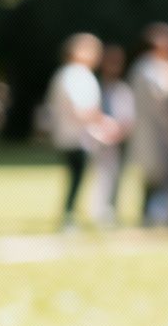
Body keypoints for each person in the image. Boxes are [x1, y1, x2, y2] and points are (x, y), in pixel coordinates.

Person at [44, 33, 116, 232]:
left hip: (77, 135)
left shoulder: (71, 74)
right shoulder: (75, 74)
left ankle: (72, 214)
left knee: (79, 177)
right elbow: (81, 109)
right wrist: (104, 123)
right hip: (77, 136)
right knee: (78, 176)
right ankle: (70, 215)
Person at [126, 23, 168, 228]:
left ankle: (151, 214)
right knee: (158, 175)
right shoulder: (151, 68)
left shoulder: (149, 67)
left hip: (153, 130)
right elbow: (165, 101)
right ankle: (154, 215)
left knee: (155, 175)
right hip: (158, 131)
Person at [89, 43, 135, 228]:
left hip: (116, 143)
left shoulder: (123, 90)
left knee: (115, 177)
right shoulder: (95, 86)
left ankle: (110, 210)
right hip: (95, 141)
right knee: (97, 178)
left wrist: (116, 134)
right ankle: (97, 211)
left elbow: (128, 119)